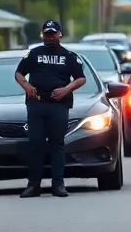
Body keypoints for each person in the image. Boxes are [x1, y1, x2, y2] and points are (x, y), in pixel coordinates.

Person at [14, 20, 87, 198]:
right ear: (42, 34)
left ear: (60, 34)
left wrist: (66, 89)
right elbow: (18, 73)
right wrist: (26, 86)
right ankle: (33, 186)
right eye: (47, 33)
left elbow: (81, 78)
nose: (50, 36)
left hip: (59, 105)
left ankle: (58, 185)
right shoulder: (34, 53)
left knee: (57, 145)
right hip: (36, 103)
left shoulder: (68, 56)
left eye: (53, 33)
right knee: (36, 145)